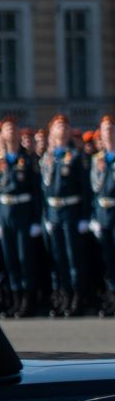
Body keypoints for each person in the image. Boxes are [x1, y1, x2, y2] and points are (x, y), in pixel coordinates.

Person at [0, 118, 42, 317]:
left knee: (24, 259)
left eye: (14, 128)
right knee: (9, 260)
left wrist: (36, 219)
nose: (10, 132)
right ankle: (14, 300)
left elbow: (36, 192)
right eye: (6, 129)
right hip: (5, 213)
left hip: (23, 212)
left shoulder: (28, 159)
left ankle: (27, 301)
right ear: (1, 134)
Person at [41, 113, 92, 317]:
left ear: (69, 132)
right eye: (57, 126)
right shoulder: (48, 157)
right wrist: (44, 214)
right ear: (51, 132)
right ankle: (63, 296)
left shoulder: (76, 156)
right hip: (53, 212)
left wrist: (84, 217)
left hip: (71, 210)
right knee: (58, 257)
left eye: (64, 126)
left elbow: (85, 189)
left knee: (73, 258)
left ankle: (77, 298)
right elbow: (42, 190)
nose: (61, 129)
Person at [93, 116, 115, 316]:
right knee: (108, 260)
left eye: (111, 128)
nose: (108, 132)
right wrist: (93, 216)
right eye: (105, 129)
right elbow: (92, 190)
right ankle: (111, 298)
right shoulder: (97, 159)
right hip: (104, 214)